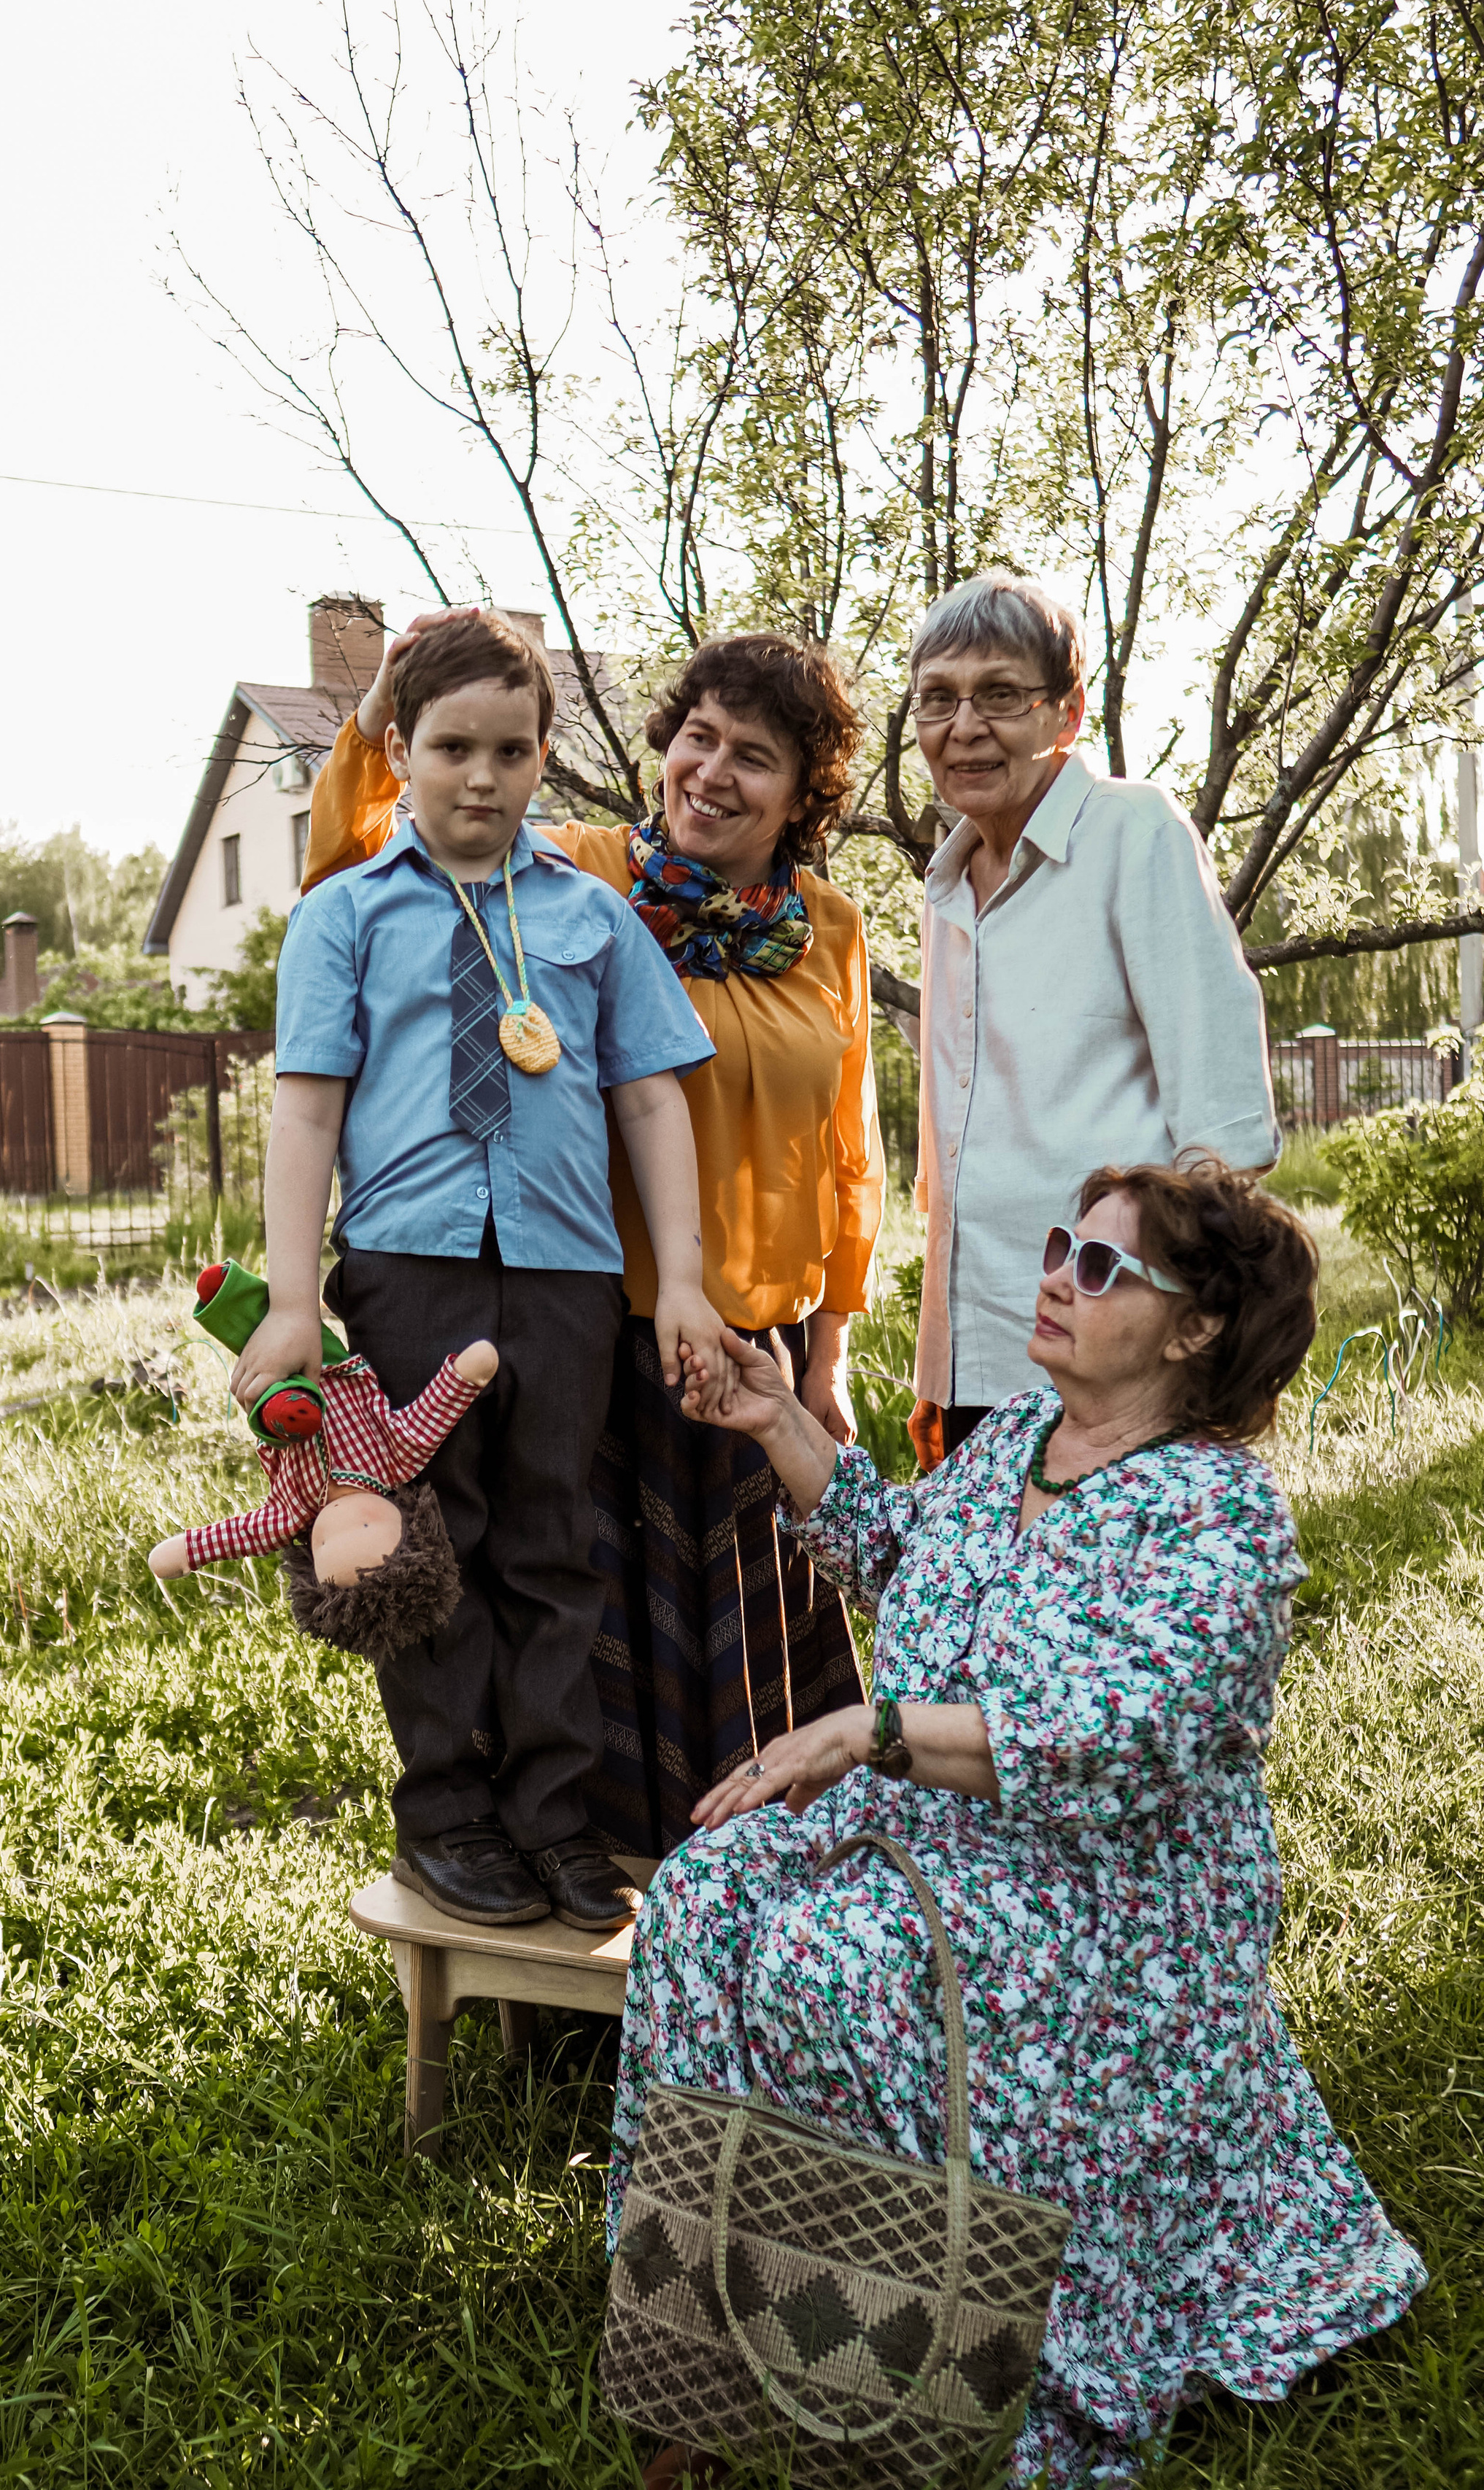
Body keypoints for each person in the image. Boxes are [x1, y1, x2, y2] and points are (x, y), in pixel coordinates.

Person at [611, 1156, 1425, 2486]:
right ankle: (707, 2340)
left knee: (831, 1963)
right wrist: (777, 1420)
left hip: (1108, 1898)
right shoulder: (1015, 1441)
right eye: (1060, 1246)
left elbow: (1110, 1732)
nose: (1056, 1276)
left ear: (1196, 1327)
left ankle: (919, 2368)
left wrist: (869, 1731)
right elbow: (897, 1554)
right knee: (703, 1896)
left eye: (1100, 1266)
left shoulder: (1219, 1514)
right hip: (932, 1829)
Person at [304, 614, 886, 1857]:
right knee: (566, 1593)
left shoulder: (831, 931)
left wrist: (829, 1348)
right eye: (697, 737)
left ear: (803, 795)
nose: (711, 772)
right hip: (595, 1317)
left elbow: (851, 1152)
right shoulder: (581, 869)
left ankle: (748, 1896)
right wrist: (380, 712)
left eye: (754, 756)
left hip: (752, 1342)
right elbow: (367, 855)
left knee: (741, 1657)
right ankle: (554, 1868)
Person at [249, 608, 730, 1933]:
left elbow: (652, 1102)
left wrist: (682, 1281)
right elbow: (305, 1112)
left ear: (543, 759)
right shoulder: (342, 916)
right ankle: (448, 1814)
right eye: (452, 747)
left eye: (511, 751)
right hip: (409, 1272)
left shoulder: (594, 917)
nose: (481, 776)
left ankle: (555, 1819)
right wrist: (292, 1300)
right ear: (400, 749)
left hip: (565, 1278)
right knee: (423, 1544)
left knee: (554, 1547)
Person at [905, 571, 1279, 1470]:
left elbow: (1223, 1127)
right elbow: (953, 1157)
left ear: (1066, 713)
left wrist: (1174, 1352)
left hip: (1115, 1372)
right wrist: (939, 1369)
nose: (964, 726)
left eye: (1000, 694)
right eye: (938, 698)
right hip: (980, 1362)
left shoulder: (1132, 830)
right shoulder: (946, 884)